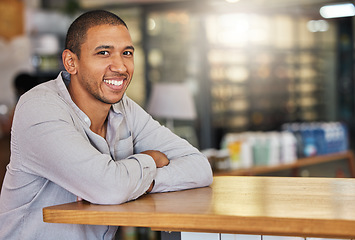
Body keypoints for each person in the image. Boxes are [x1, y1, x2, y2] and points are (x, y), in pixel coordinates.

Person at [0, 10, 213, 240]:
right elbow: (110, 188)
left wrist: (142, 183)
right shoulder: (39, 107)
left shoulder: (125, 108)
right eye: (104, 53)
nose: (121, 67)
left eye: (127, 53)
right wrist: (150, 160)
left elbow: (200, 168)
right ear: (71, 62)